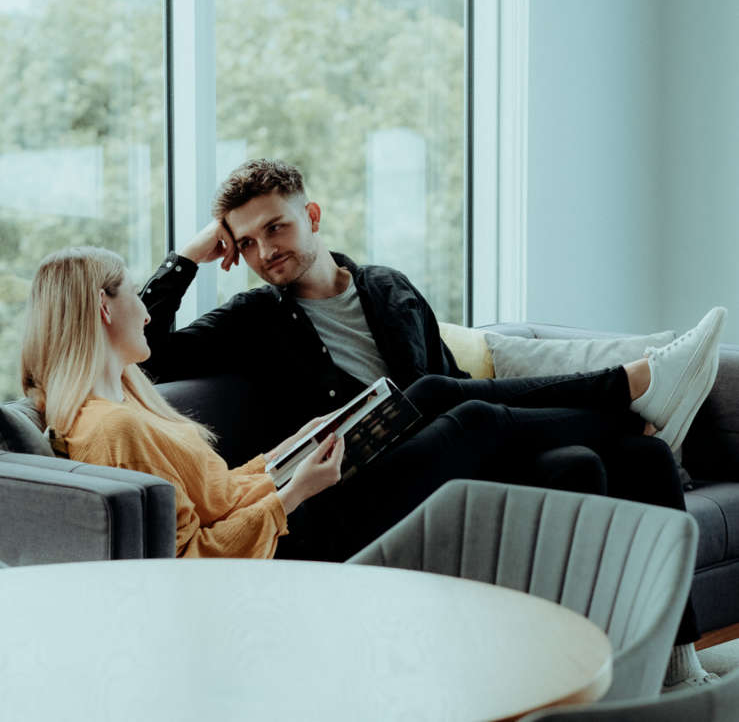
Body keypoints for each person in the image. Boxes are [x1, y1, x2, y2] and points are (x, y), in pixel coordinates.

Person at [21, 244, 725, 691]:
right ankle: (635, 392)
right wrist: (293, 492)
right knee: (471, 415)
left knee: (580, 446)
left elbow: (214, 495)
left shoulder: (118, 404)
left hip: (291, 510)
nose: (145, 311)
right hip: (295, 545)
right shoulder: (110, 425)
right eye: (131, 295)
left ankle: (671, 649)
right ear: (101, 309)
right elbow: (193, 556)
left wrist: (291, 448)